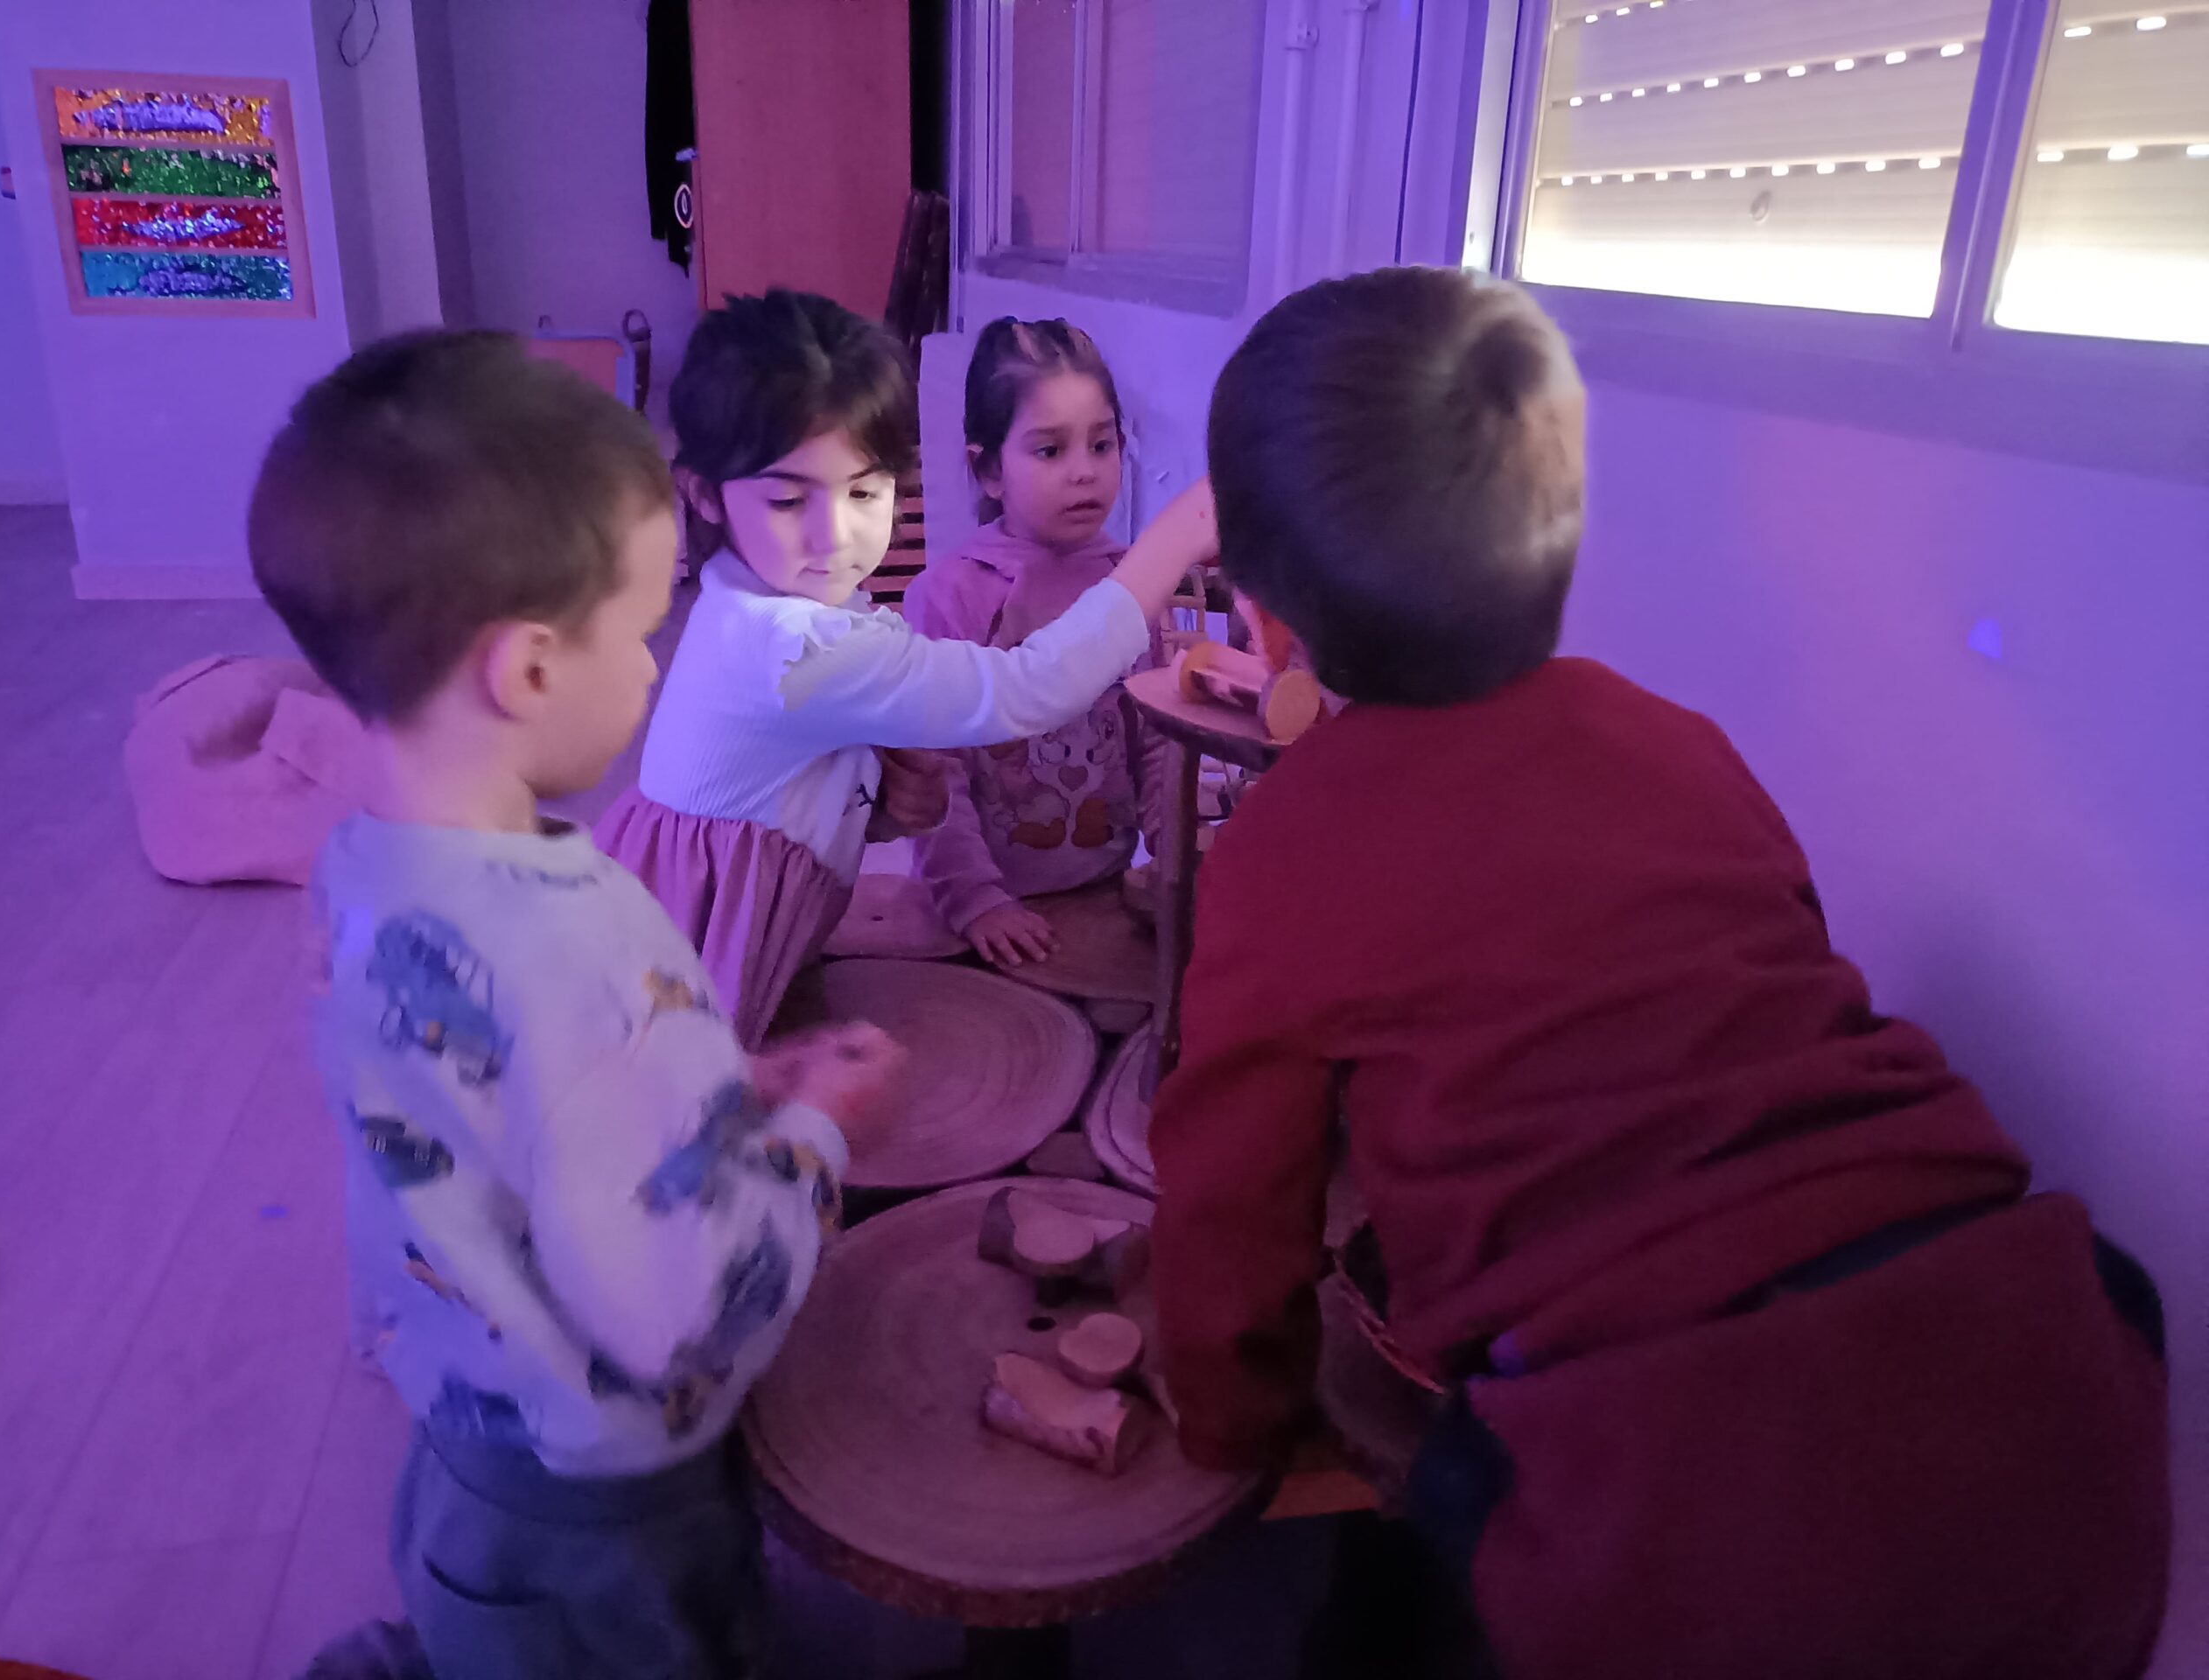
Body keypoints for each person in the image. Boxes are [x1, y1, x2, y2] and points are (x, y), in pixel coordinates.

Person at [1149, 267, 2170, 1679]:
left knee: (1402, 1595)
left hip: (1681, 1502)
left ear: (1263, 621)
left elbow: (1230, 1207)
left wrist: (1232, 1423)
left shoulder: (1286, 840)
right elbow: (1767, 981)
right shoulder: (1679, 740)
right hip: (2063, 1394)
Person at [249, 329, 901, 1679]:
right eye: (644, 626)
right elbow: (686, 1306)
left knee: (484, 1630)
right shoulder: (579, 948)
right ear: (532, 671)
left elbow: (501, 1108)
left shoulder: (364, 867)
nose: (658, 666)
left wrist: (725, 1088)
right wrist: (821, 1133)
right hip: (611, 1500)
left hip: (466, 1433)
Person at [595, 291, 1217, 1040]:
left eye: (863, 490)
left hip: (722, 927)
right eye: (788, 501)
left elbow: (785, 790)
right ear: (704, 494)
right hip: (686, 958)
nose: (835, 535)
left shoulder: (780, 605)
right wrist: (1175, 539)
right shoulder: (794, 642)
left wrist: (878, 804)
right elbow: (1029, 689)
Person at [901, 318, 1167, 969]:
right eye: (1050, 451)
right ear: (989, 469)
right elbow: (933, 770)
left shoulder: (1132, 584)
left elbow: (1160, 742)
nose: (1085, 473)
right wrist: (975, 899)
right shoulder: (947, 597)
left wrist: (1177, 856)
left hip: (1106, 892)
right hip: (975, 917)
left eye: (1102, 445)